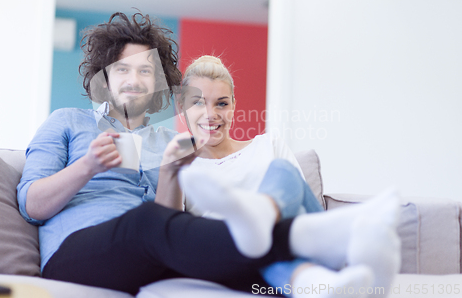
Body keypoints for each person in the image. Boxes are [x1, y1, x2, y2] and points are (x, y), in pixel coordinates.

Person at [17, 12, 399, 298]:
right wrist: (88, 167)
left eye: (146, 72)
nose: (134, 80)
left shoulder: (164, 139)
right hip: (76, 257)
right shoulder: (67, 121)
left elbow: (169, 224)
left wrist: (170, 173)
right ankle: (333, 232)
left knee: (244, 267)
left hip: (145, 259)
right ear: (104, 77)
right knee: (145, 221)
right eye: (122, 70)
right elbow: (31, 203)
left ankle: (328, 279)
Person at [156, 55, 401, 298]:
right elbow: (167, 236)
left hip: (289, 235)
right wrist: (171, 168)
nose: (211, 114)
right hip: (228, 252)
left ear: (233, 105)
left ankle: (265, 220)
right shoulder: (181, 165)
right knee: (262, 244)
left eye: (221, 103)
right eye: (198, 103)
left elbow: (302, 208)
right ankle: (353, 250)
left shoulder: (267, 144)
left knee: (282, 173)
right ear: (181, 107)